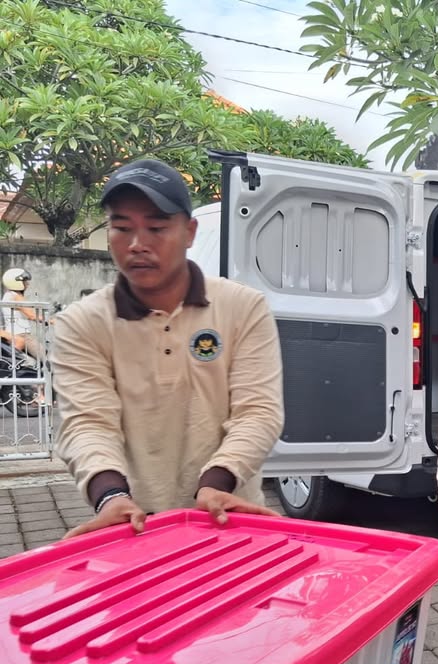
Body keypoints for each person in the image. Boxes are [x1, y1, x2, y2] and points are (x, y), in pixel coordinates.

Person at [52, 158, 284, 538]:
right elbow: (87, 422)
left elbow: (257, 411)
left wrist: (215, 483)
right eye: (121, 228)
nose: (138, 244)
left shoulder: (243, 307)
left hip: (224, 515)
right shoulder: (82, 321)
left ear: (190, 232)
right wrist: (110, 495)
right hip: (132, 526)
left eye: (157, 227)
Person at [2, 267, 46, 360]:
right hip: (22, 334)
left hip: (15, 333)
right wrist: (53, 321)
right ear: (16, 282)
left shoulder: (8, 295)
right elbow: (32, 315)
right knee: (47, 359)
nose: (27, 284)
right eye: (25, 281)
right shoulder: (15, 296)